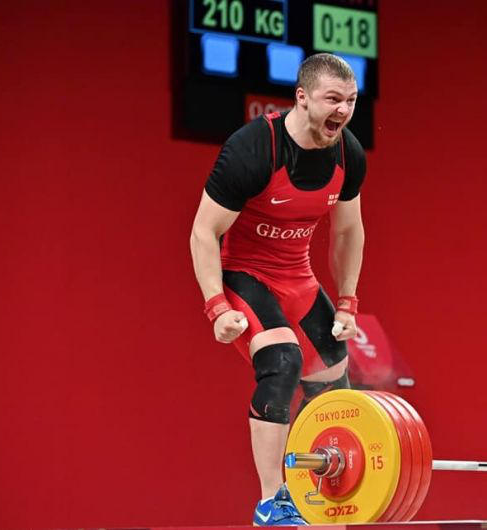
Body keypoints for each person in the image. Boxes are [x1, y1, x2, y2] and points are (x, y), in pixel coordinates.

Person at [189, 53, 366, 526]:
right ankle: (273, 502)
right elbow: (203, 232)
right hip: (244, 275)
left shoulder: (348, 152)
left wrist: (347, 301)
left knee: (334, 376)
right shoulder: (253, 149)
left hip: (299, 278)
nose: (344, 110)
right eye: (333, 99)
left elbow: (349, 232)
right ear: (302, 98)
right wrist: (216, 307)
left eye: (350, 100)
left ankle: (322, 494)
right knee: (282, 360)